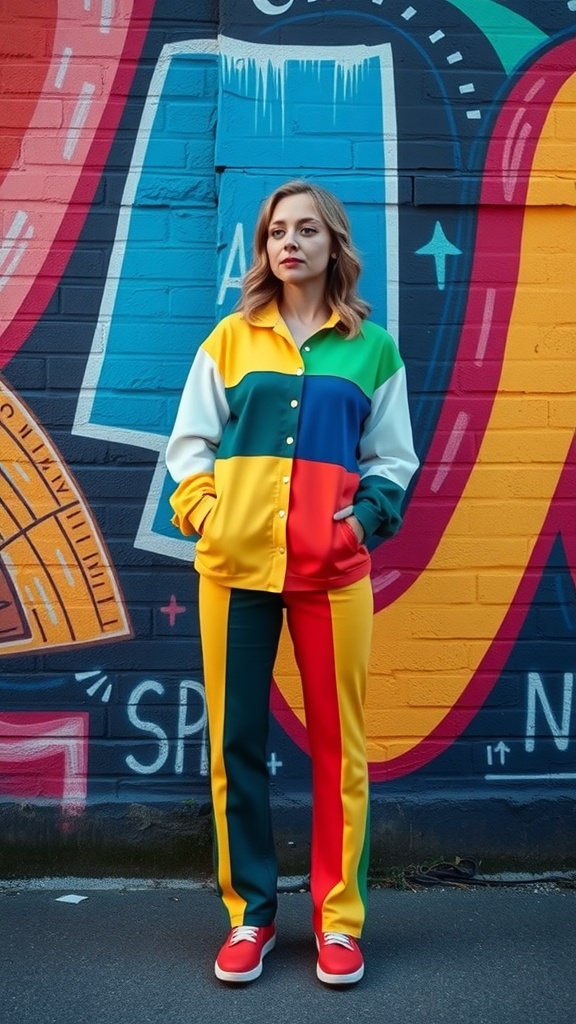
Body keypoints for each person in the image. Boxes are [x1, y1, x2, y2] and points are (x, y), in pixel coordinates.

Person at [166, 180, 419, 986]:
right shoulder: (230, 340)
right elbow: (188, 445)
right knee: (235, 744)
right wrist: (209, 514)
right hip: (234, 571)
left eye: (307, 229)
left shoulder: (372, 349)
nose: (291, 243)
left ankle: (338, 923)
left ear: (332, 243)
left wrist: (356, 528)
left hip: (333, 576)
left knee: (338, 748)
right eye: (278, 230)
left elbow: (393, 460)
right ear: (265, 246)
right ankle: (251, 916)